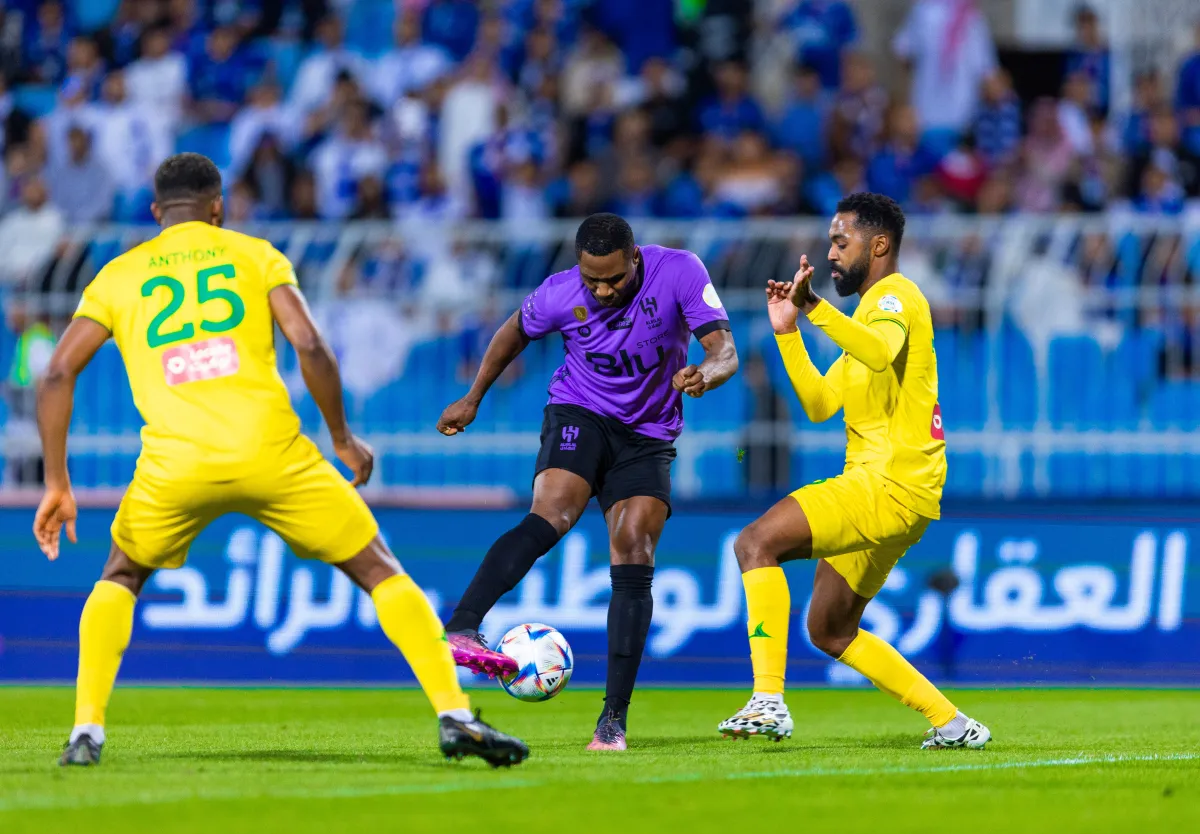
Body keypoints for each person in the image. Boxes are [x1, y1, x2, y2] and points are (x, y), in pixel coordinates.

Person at [34, 153, 528, 769]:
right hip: (271, 451)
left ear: (157, 212)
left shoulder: (117, 276)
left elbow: (56, 373)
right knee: (379, 569)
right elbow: (310, 344)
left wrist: (57, 482)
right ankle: (455, 716)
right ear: (218, 207)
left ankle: (86, 732)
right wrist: (342, 438)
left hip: (176, 463)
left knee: (121, 575)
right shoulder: (255, 255)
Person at [436, 213, 738, 751]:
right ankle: (462, 625)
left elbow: (724, 352)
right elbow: (513, 331)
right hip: (581, 411)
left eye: (613, 279)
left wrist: (705, 374)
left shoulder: (680, 272)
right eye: (591, 279)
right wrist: (474, 397)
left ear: (635, 258)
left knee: (635, 546)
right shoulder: (560, 292)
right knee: (552, 512)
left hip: (647, 434)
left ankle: (612, 720)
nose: (601, 290)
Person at [717, 192, 990, 750]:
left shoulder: (895, 297)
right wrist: (788, 331)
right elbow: (820, 403)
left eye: (842, 242)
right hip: (905, 496)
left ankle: (768, 700)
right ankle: (952, 723)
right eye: (830, 244)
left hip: (886, 485)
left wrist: (816, 308)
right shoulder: (866, 316)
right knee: (830, 629)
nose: (831, 254)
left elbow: (880, 350)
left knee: (754, 543)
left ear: (879, 244)